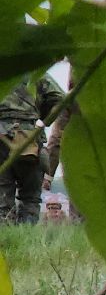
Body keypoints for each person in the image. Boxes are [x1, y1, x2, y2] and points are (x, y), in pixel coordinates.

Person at [0, 74, 64, 225]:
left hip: (2, 135)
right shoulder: (35, 69)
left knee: (2, 199)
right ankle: (26, 239)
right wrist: (43, 119)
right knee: (30, 198)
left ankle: (5, 243)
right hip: (31, 137)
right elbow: (58, 97)